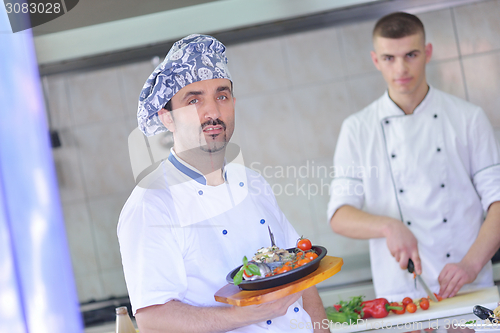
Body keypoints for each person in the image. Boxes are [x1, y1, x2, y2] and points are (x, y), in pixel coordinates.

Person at [118, 34, 329, 333]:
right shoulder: (151, 203)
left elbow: (302, 274)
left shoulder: (254, 183)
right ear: (167, 117)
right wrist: (251, 313)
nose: (213, 112)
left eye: (222, 95)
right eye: (194, 100)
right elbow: (153, 320)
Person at [327, 12, 500, 301]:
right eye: (389, 58)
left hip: (469, 285)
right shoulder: (357, 129)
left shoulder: (468, 118)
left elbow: (497, 201)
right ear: (375, 60)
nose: (401, 68)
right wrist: (388, 225)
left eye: (411, 54)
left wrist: (470, 265)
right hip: (401, 294)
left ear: (428, 52)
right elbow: (339, 214)